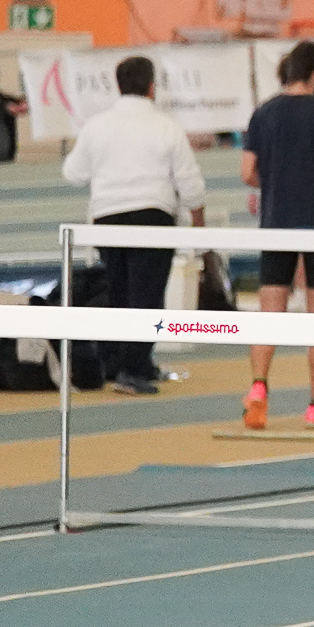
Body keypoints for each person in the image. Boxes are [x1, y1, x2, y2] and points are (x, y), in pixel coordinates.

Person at [59, 55, 207, 396]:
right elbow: (189, 181)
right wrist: (198, 222)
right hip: (153, 217)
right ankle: (133, 369)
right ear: (152, 87)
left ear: (118, 86)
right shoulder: (166, 126)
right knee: (147, 296)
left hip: (107, 218)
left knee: (119, 292)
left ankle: (119, 364)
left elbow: (73, 173)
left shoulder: (97, 125)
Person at [238, 40, 314, 431]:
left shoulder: (263, 113)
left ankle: (258, 388)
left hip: (276, 224)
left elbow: (248, 173)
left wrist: (274, 184)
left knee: (270, 311)